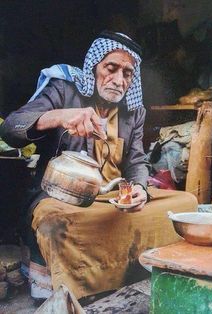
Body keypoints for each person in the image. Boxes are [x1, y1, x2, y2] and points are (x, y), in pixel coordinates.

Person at [0, 31, 198, 300]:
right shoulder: (64, 90)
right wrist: (61, 116)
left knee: (185, 203)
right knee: (54, 221)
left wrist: (140, 187)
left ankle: (139, 278)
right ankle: (74, 290)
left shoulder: (134, 110)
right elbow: (11, 128)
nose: (118, 80)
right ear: (94, 67)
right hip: (66, 199)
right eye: (111, 68)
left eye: (127, 73)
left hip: (114, 197)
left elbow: (137, 160)